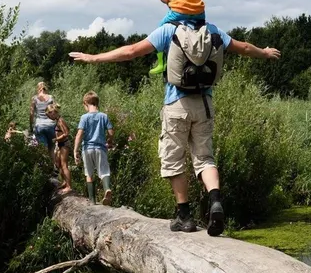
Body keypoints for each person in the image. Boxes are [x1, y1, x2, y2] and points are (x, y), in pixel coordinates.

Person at [69, 23, 280, 236]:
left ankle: (184, 216)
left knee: (174, 160)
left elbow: (130, 51)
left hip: (177, 104)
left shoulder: (169, 30)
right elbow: (243, 48)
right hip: (204, 104)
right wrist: (264, 52)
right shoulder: (212, 30)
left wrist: (93, 57)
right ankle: (215, 201)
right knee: (205, 158)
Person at [73, 91, 114, 206]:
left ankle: (92, 201)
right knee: (104, 172)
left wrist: (75, 150)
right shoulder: (103, 116)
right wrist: (109, 141)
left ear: (86, 103)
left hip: (87, 149)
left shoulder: (84, 117)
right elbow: (111, 131)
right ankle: (107, 189)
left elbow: (79, 134)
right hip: (100, 148)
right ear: (97, 103)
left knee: (89, 174)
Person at [47, 103, 73, 195]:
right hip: (60, 144)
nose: (48, 117)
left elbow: (66, 133)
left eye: (48, 115)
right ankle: (64, 182)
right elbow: (67, 129)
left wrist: (56, 139)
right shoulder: (58, 121)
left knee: (64, 164)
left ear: (53, 112)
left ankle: (69, 186)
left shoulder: (60, 121)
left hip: (64, 144)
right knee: (58, 163)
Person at [30, 82, 56, 161]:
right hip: (51, 125)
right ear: (45, 88)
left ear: (38, 88)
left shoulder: (34, 98)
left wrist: (31, 126)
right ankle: (55, 168)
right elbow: (55, 111)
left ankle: (46, 168)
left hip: (39, 126)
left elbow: (31, 114)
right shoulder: (51, 97)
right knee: (51, 148)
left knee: (43, 148)